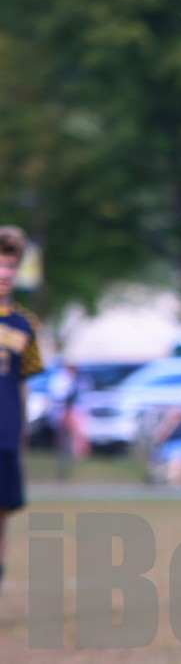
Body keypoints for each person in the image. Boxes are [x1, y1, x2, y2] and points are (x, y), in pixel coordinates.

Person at [0, 225, 44, 594]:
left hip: (6, 431)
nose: (5, 272)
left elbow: (24, 383)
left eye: (11, 265)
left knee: (2, 511)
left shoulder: (25, 324)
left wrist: (22, 433)